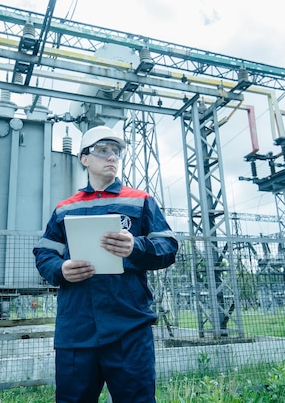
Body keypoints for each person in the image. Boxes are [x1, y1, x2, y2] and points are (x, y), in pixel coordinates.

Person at [33, 125, 178, 403]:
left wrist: (137, 246)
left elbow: (168, 247)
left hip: (129, 328)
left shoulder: (141, 201)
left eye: (116, 151)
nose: (111, 156)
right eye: (102, 150)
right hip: (77, 330)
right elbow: (44, 254)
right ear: (85, 158)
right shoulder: (65, 208)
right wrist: (60, 270)